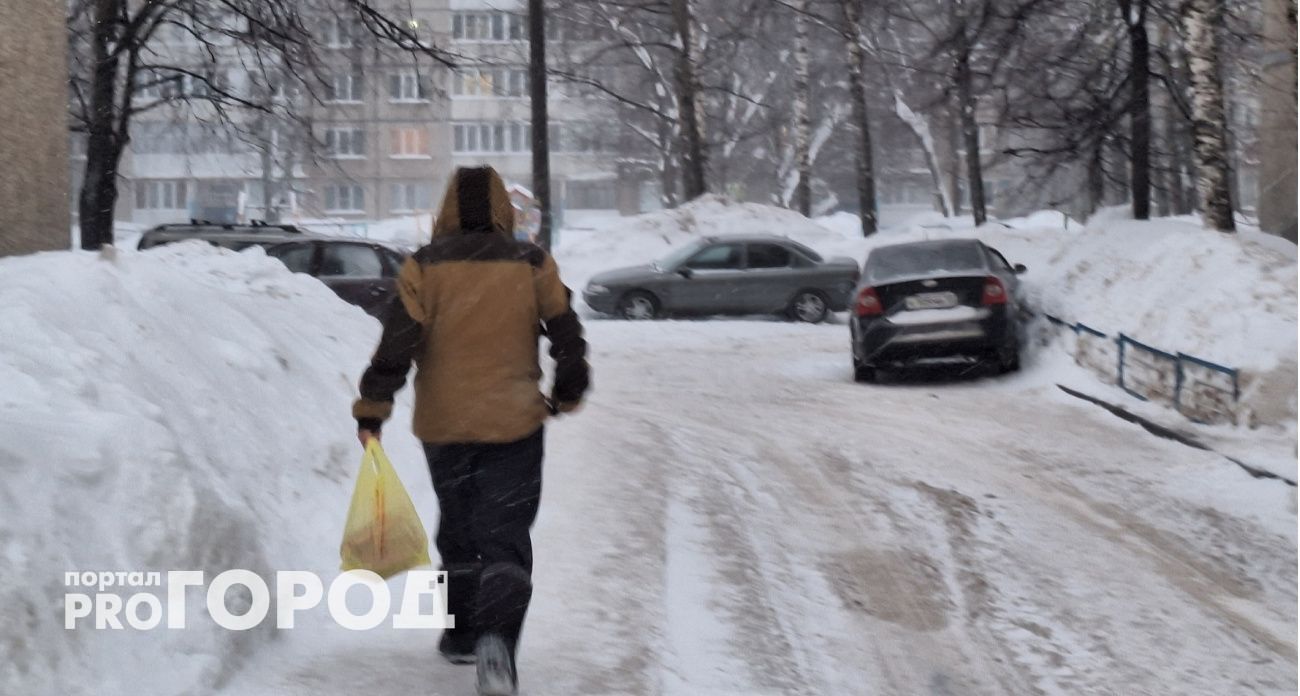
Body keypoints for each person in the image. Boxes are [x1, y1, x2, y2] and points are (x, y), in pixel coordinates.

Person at [352, 166, 589, 696]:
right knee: (504, 536)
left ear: (448, 208)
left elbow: (397, 344)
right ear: (504, 209)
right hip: (515, 423)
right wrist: (569, 386)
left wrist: (373, 408)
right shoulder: (532, 263)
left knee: (458, 527)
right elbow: (566, 331)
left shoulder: (424, 266)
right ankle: (497, 645)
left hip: (444, 424)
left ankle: (461, 636)